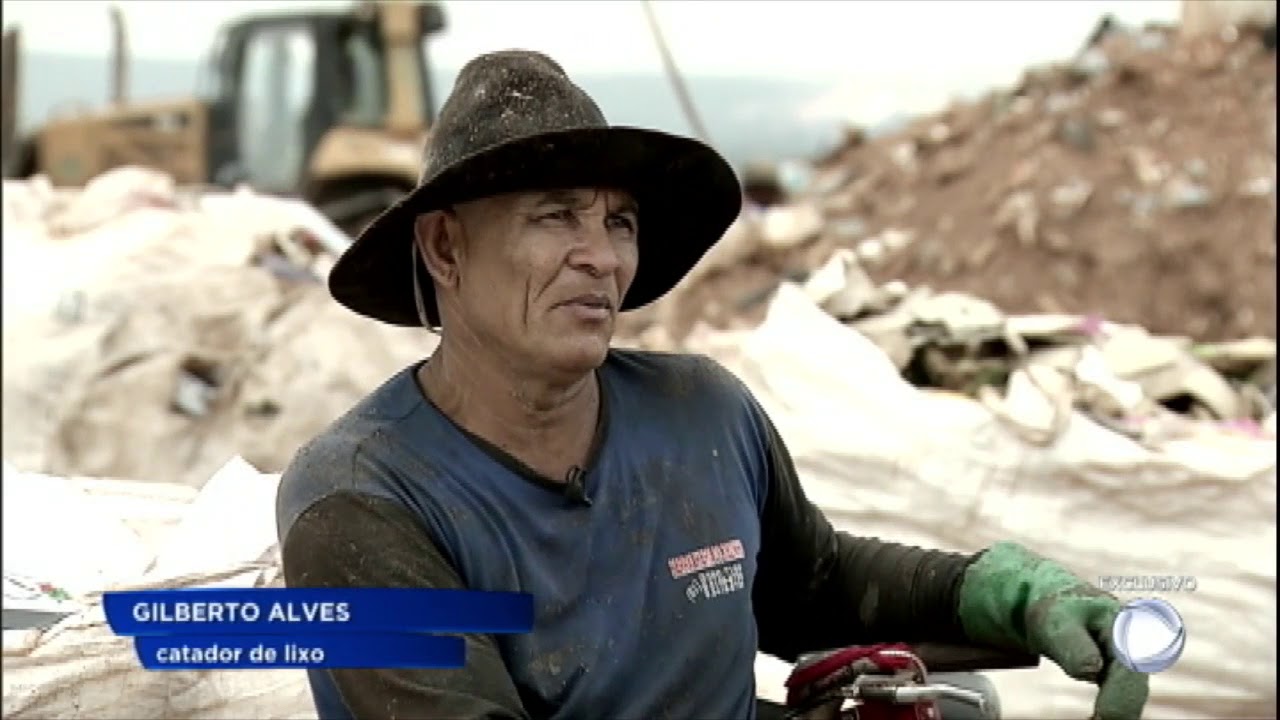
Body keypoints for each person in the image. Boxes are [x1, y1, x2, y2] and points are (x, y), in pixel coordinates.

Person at [276, 50, 1149, 720]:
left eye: (618, 221)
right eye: (556, 217)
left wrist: (1002, 592)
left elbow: (812, 586)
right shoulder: (362, 501)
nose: (602, 255)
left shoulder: (701, 414)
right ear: (445, 249)